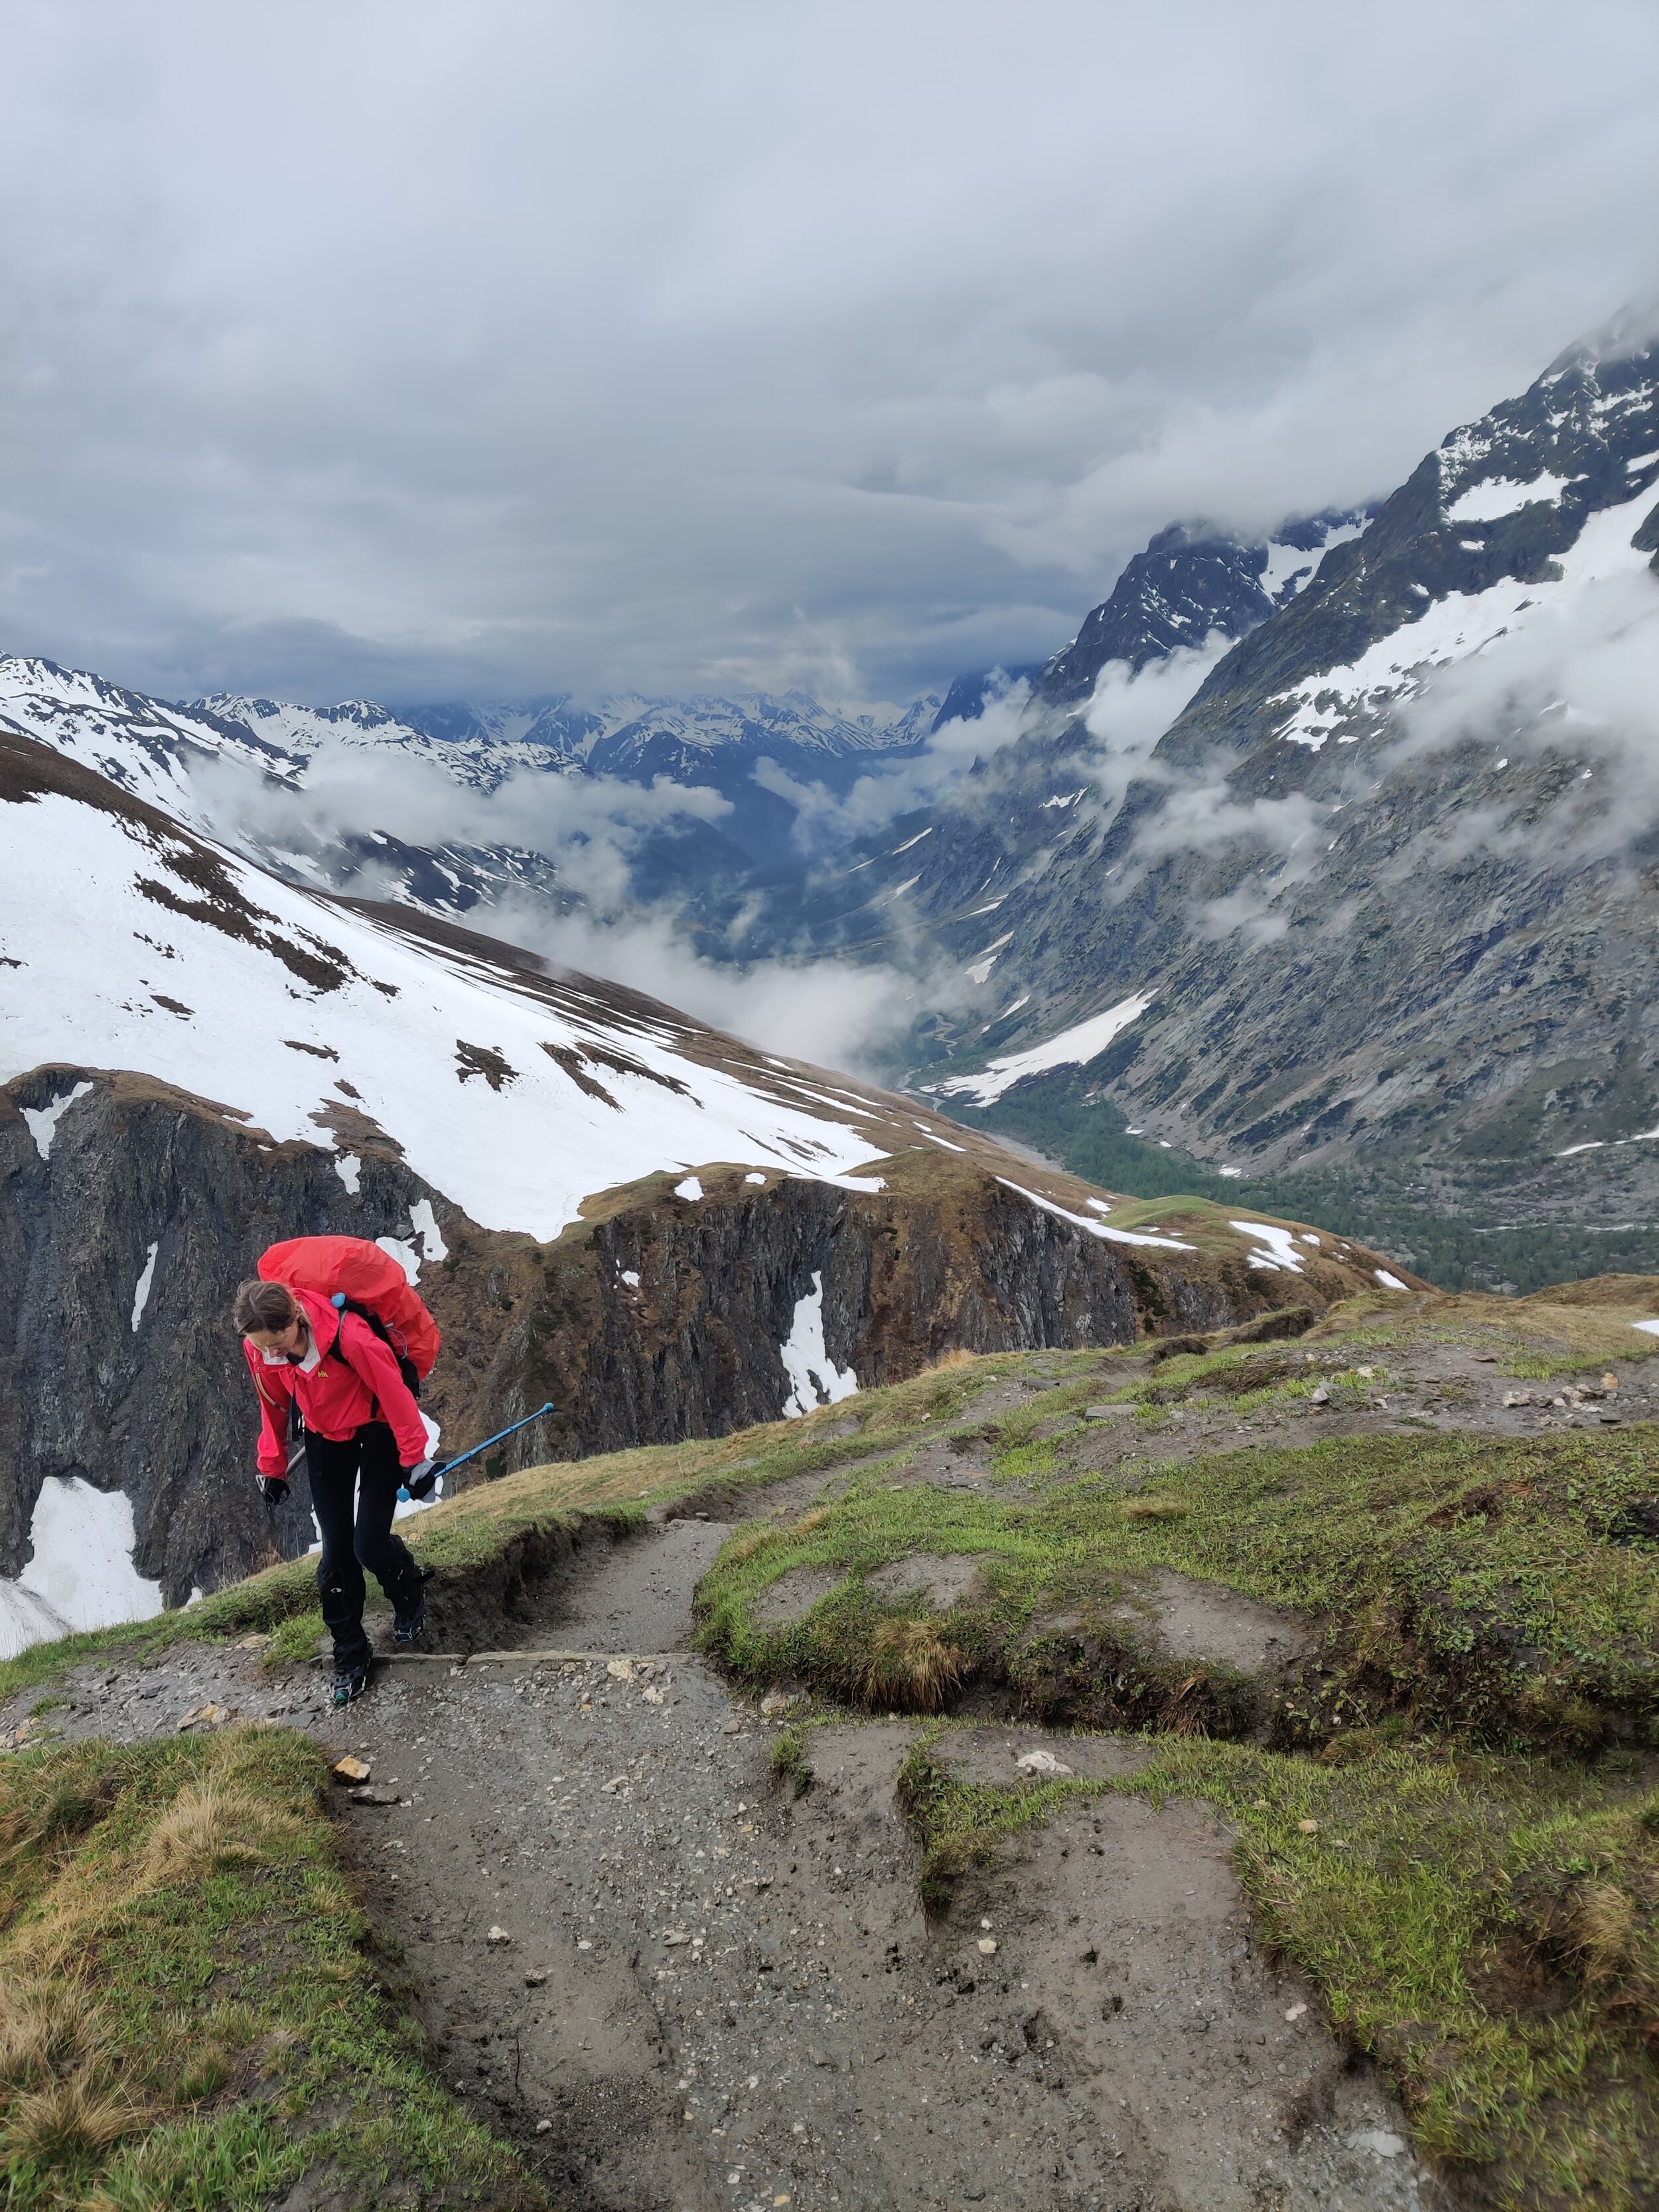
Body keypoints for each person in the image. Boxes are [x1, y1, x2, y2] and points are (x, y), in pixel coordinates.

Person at [234, 1276, 435, 1706]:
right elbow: (272, 1403)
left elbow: (395, 1393)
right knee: (336, 1553)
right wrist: (271, 1465)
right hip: (325, 1434)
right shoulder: (260, 1348)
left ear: (295, 1318)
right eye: (261, 1345)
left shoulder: (351, 1338)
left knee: (369, 1543)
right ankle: (350, 1652)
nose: (271, 1353)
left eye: (277, 1342)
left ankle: (410, 1594)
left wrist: (414, 1459)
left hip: (377, 1427)